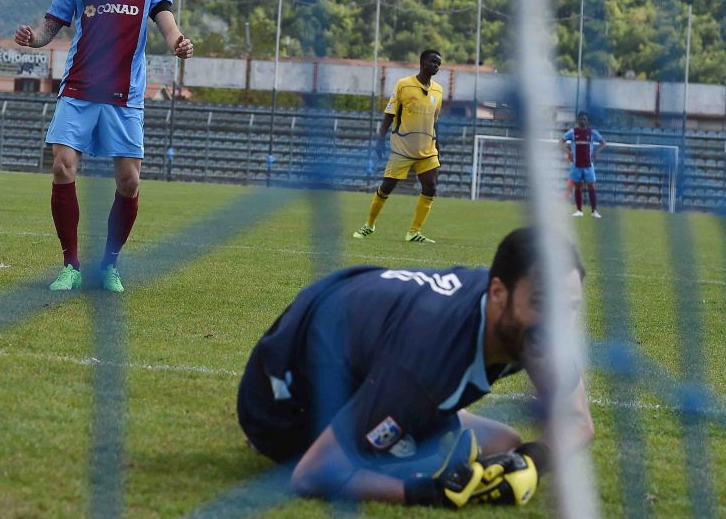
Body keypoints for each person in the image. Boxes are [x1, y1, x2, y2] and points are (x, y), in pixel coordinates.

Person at [237, 227, 594, 508]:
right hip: (280, 405)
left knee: (506, 444)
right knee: (426, 458)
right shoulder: (428, 359)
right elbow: (313, 474)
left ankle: (411, 423)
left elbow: (578, 421)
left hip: (364, 340)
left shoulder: (534, 327)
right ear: (499, 293)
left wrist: (532, 461)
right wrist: (429, 493)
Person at [15, 0, 193, 292]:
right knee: (62, 166)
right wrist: (33, 39)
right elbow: (51, 27)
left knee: (129, 182)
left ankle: (109, 265)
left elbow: (167, 25)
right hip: (79, 89)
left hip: (125, 95)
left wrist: (178, 42)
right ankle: (71, 265)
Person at [353, 50, 443, 243]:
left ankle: (414, 232)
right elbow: (390, 115)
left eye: (438, 63)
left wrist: (438, 146)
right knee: (387, 186)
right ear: (422, 62)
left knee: (431, 187)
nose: (436, 66)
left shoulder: (438, 90)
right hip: (402, 148)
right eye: (433, 62)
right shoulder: (404, 84)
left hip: (427, 149)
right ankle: (369, 225)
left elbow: (435, 122)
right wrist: (380, 140)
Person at [560, 111, 607, 218]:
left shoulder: (592, 133)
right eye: (581, 119)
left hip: (588, 165)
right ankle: (579, 210)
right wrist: (569, 152)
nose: (582, 121)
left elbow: (604, 143)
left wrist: (596, 153)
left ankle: (594, 211)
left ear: (587, 121)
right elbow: (560, 142)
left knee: (592, 187)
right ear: (578, 120)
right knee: (577, 187)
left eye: (584, 119)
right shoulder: (572, 132)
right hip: (576, 165)